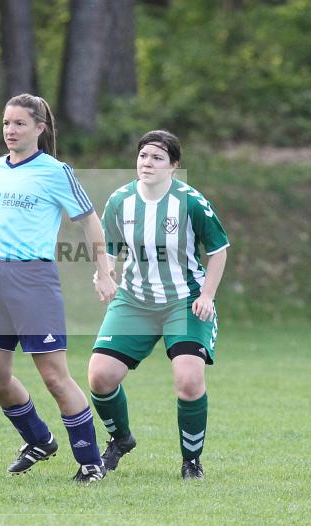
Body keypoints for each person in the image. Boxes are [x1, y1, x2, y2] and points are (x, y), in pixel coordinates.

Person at [0, 93, 117, 483]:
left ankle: (90, 461)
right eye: (5, 123)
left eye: (19, 123)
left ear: (39, 128)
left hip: (34, 280)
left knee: (54, 377)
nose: (10, 131)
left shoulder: (55, 171)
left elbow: (90, 220)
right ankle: (39, 440)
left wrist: (103, 271)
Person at [87, 130, 229, 480]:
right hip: (135, 300)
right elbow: (108, 247)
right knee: (100, 376)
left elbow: (218, 250)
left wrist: (207, 295)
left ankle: (191, 461)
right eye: (143, 156)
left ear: (174, 166)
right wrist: (104, 274)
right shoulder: (121, 200)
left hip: (183, 302)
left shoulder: (191, 201)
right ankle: (120, 440)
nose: (147, 163)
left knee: (189, 381)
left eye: (157, 158)